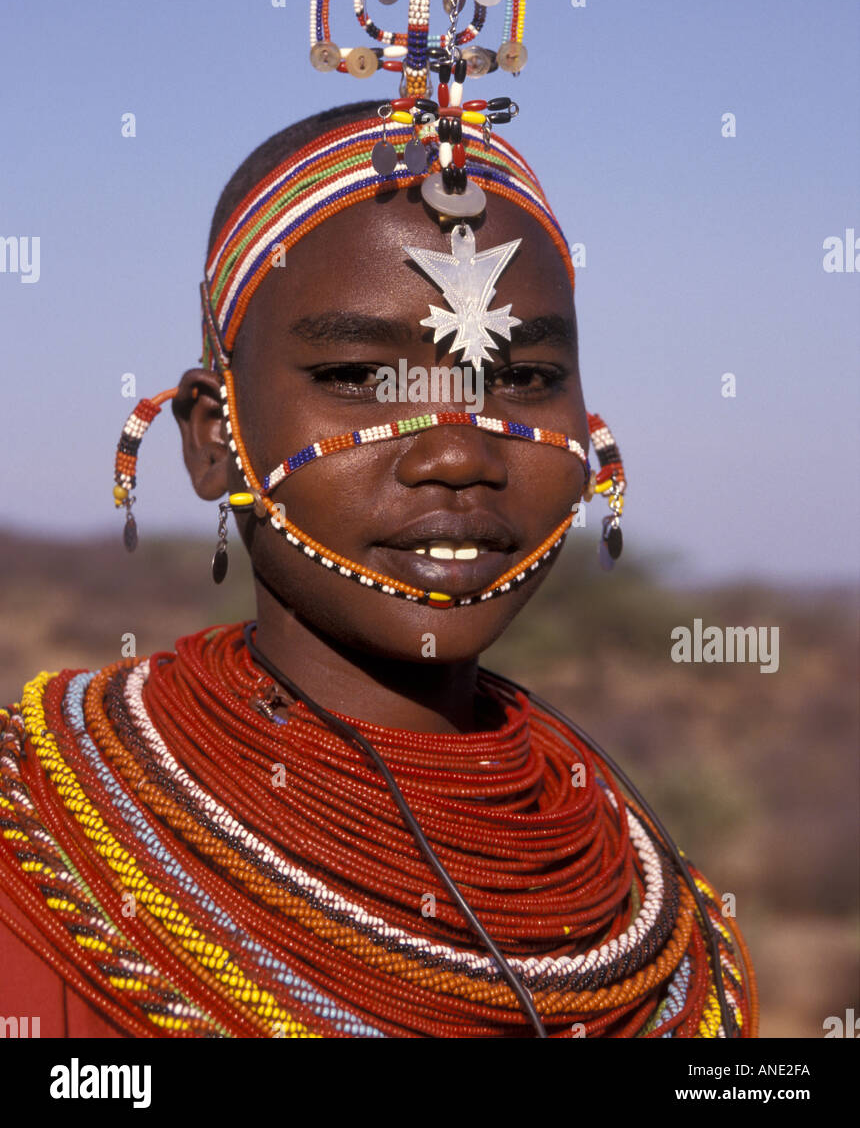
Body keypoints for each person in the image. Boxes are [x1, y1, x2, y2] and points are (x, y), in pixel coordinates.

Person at [0, 98, 758, 1038]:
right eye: (359, 378)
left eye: (521, 381)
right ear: (214, 439)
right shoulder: (33, 862)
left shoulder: (667, 930)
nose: (459, 453)